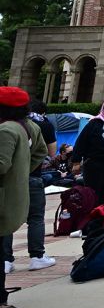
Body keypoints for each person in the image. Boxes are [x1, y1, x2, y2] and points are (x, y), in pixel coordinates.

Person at [1, 87, 52, 275]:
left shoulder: (6, 128)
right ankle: (37, 257)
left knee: (4, 221)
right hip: (32, 179)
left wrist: (18, 172)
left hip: (8, 185)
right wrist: (25, 170)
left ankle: (6, 259)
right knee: (36, 218)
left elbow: (2, 164)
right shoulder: (31, 125)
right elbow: (42, 152)